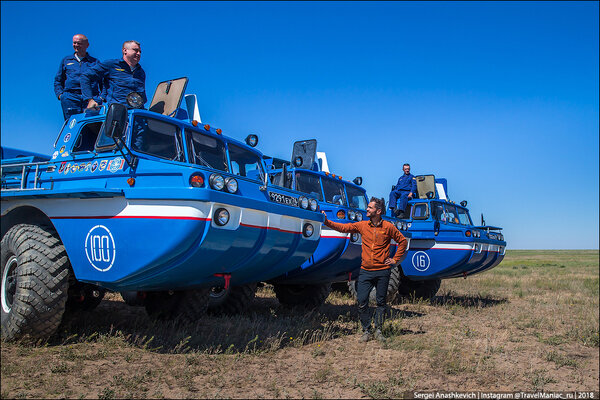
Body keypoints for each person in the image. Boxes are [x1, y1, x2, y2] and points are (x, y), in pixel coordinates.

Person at [322, 197, 408, 342]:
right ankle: (367, 330)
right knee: (362, 301)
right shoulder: (362, 225)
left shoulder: (388, 227)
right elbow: (344, 228)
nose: (367, 209)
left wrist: (394, 260)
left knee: (381, 302)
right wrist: (326, 221)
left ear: (378, 211)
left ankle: (379, 330)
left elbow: (403, 241)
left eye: (370, 207)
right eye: (367, 207)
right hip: (366, 271)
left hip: (382, 271)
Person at [81, 40, 146, 109]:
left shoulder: (141, 72)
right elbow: (86, 76)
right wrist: (90, 99)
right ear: (125, 51)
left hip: (137, 113)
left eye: (140, 52)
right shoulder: (111, 65)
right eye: (135, 50)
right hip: (116, 112)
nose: (138, 53)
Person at [54, 34, 103, 120]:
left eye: (79, 43)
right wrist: (61, 95)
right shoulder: (66, 60)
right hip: (70, 98)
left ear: (87, 45)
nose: (76, 45)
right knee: (72, 124)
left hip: (91, 99)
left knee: (92, 126)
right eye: (74, 43)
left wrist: (101, 97)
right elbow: (58, 80)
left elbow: (103, 82)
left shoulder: (95, 62)